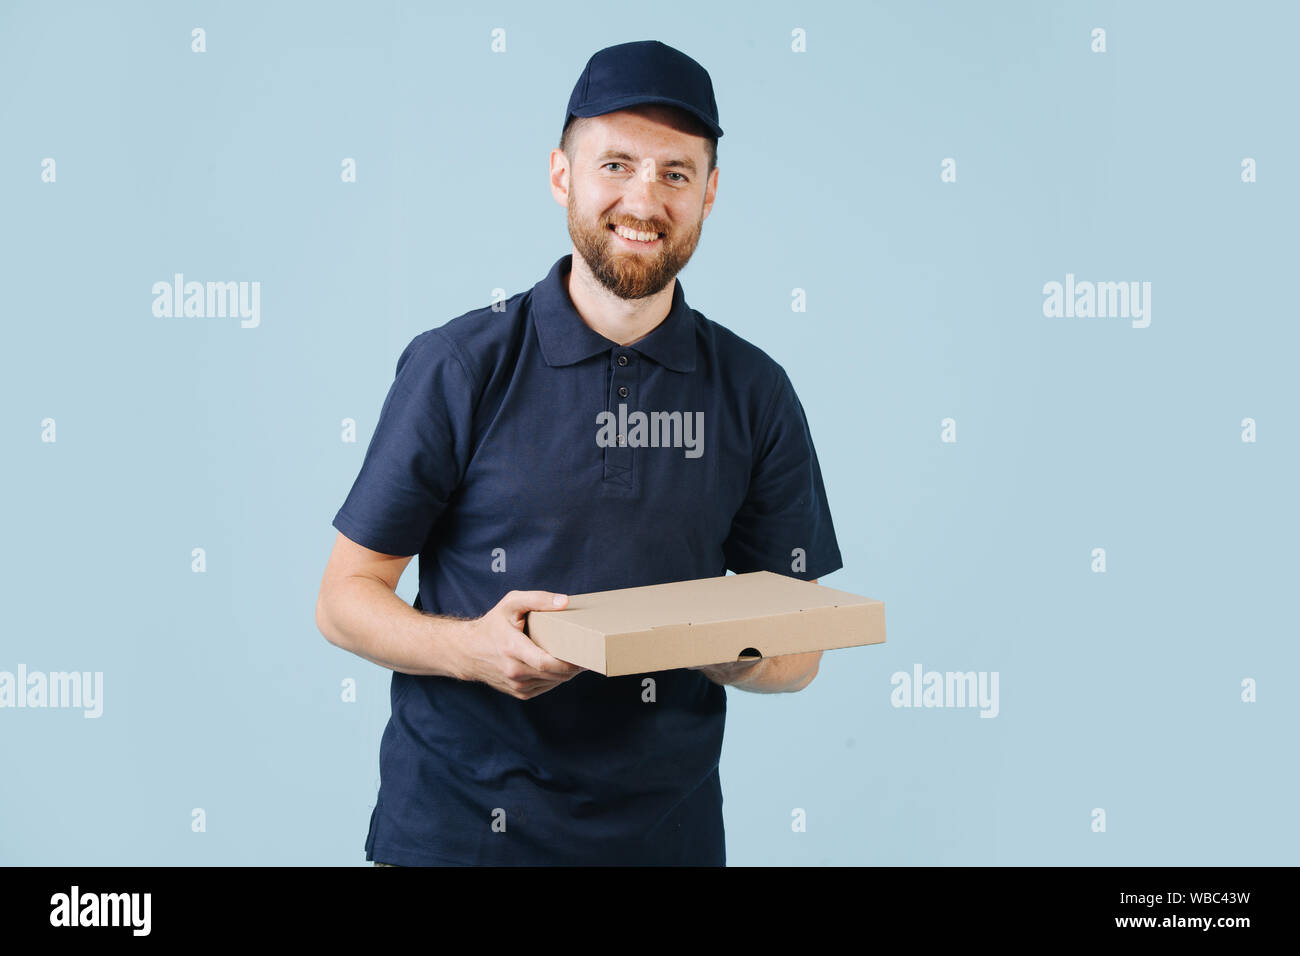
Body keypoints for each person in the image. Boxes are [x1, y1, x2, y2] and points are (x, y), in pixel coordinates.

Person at [315, 39, 843, 866]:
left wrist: (710, 642)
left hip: (665, 844)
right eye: (616, 164)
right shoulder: (461, 365)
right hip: (458, 837)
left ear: (709, 193)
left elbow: (801, 650)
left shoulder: (756, 391)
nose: (644, 199)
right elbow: (344, 598)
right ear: (562, 175)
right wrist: (472, 650)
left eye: (675, 173)